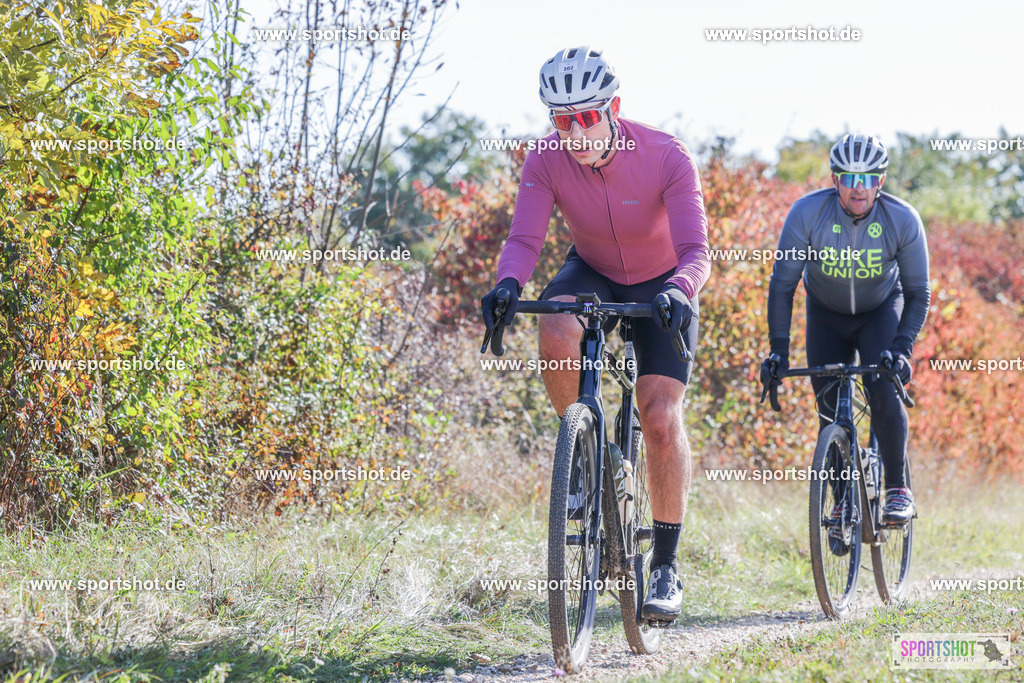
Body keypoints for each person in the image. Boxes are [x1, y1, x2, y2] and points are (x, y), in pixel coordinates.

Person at [480, 46, 710, 622]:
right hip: (594, 271)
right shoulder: (545, 159)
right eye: (562, 120)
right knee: (555, 321)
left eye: (586, 117)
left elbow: (696, 252)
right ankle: (589, 458)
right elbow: (526, 241)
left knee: (659, 417)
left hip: (663, 285)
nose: (575, 132)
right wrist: (508, 283)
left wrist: (681, 290)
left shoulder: (665, 154)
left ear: (613, 108)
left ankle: (664, 564)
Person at [761, 134, 930, 527]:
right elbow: (782, 285)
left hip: (880, 312)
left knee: (883, 390)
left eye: (868, 178)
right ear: (834, 179)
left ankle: (897, 489)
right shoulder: (807, 214)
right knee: (828, 410)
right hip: (825, 314)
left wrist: (902, 349)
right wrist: (778, 351)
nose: (859, 187)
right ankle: (840, 501)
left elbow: (920, 293)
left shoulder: (902, 219)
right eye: (850, 177)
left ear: (881, 181)